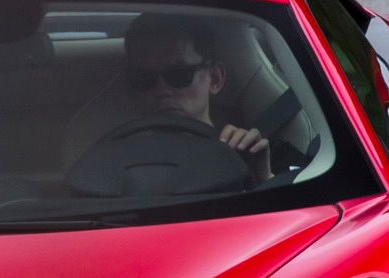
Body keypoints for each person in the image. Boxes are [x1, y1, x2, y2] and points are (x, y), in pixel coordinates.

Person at [107, 13, 270, 176]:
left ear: (215, 79)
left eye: (179, 74)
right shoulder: (115, 165)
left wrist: (262, 179)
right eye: (144, 78)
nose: (161, 89)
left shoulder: (243, 154)